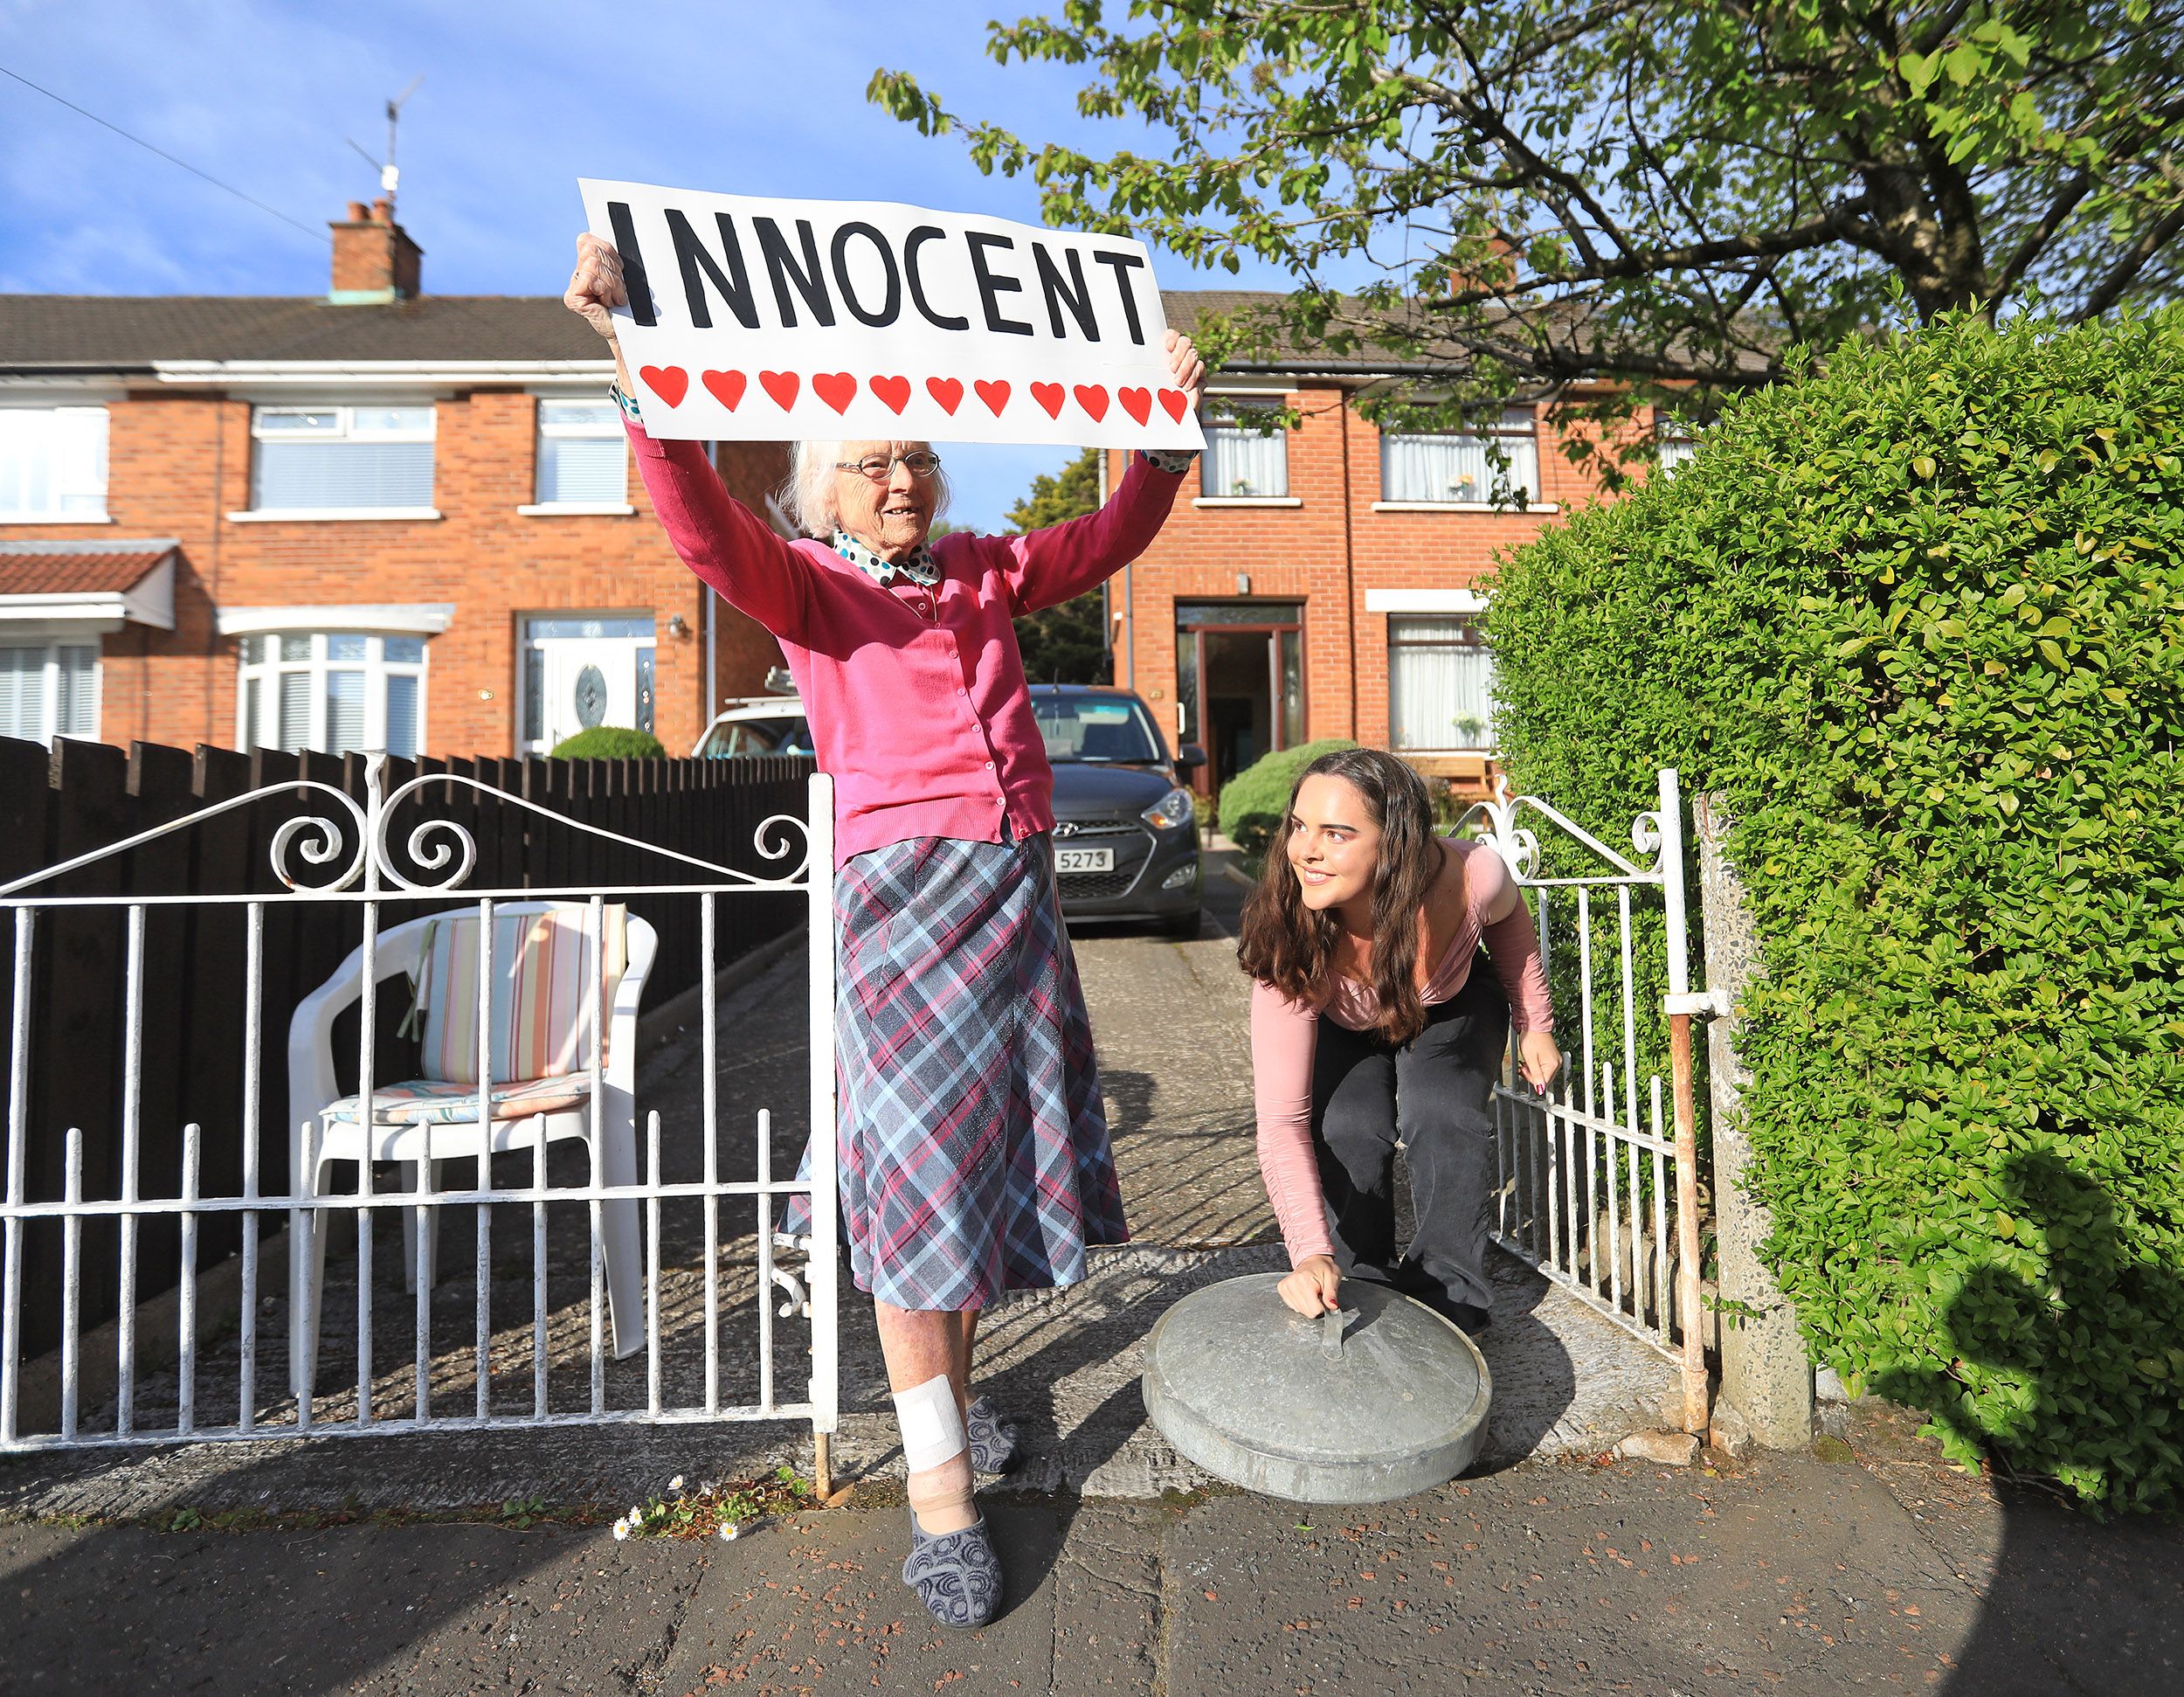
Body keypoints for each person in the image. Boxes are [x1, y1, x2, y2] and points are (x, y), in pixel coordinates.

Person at [564, 232, 1203, 1629]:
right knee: (916, 1189)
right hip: (901, 897)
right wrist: (636, 366)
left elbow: (1106, 543)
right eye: (868, 460)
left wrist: (1160, 434)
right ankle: (938, 1494)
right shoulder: (805, 579)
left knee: (973, 1179)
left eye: (913, 454)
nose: (898, 475)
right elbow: (696, 530)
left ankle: (955, 1427)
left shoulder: (982, 567)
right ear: (823, 485)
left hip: (1016, 886)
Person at [1237, 747, 1559, 1331]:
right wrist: (1309, 1253)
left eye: (1336, 833)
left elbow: (1512, 925)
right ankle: (1356, 1280)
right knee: (1349, 1126)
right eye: (1300, 826)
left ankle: (1449, 1294)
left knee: (1440, 1113)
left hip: (1447, 1005)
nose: (1306, 849)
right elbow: (1282, 1123)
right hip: (1345, 1021)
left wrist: (1534, 1024)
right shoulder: (1291, 939)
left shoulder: (1471, 878)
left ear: (1396, 844)